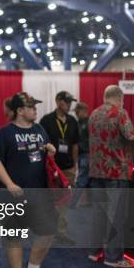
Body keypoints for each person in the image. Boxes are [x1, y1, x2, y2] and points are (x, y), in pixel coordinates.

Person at [0, 92, 57, 268]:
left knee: (48, 231)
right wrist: (9, 183)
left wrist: (50, 151)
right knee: (13, 236)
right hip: (13, 194)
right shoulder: (4, 133)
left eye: (35, 107)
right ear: (20, 110)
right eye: (31, 107)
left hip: (40, 193)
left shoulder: (40, 129)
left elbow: (43, 154)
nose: (35, 110)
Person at [87, 85, 134, 268]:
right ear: (120, 97)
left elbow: (114, 139)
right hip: (116, 172)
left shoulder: (94, 114)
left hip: (96, 171)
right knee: (116, 216)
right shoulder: (120, 112)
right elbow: (131, 136)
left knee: (98, 214)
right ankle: (113, 258)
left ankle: (94, 252)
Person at [39, 91, 79, 245]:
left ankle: (60, 232)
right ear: (58, 101)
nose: (69, 105)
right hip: (51, 168)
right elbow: (41, 144)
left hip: (68, 168)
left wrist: (75, 167)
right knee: (50, 199)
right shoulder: (46, 120)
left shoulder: (72, 121)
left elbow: (75, 145)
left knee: (64, 201)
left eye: (70, 102)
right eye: (66, 102)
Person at [70, 102, 90, 207]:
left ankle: (73, 202)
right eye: (76, 112)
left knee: (82, 180)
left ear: (84, 111)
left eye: (78, 111)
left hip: (86, 155)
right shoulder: (79, 123)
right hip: (85, 155)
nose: (76, 113)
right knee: (86, 180)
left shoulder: (86, 123)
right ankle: (85, 202)